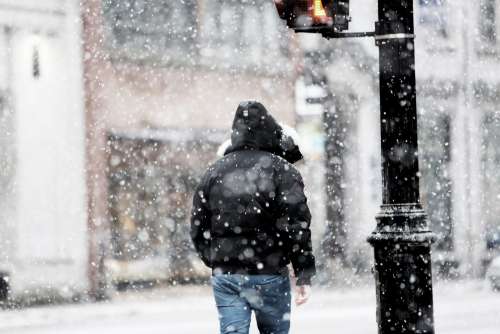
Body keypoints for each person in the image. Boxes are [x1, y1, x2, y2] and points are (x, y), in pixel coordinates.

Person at [191, 101, 316, 334]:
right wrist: (303, 273)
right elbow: (297, 225)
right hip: (270, 272)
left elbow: (198, 226)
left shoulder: (214, 172)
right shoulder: (282, 171)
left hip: (227, 275)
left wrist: (216, 259)